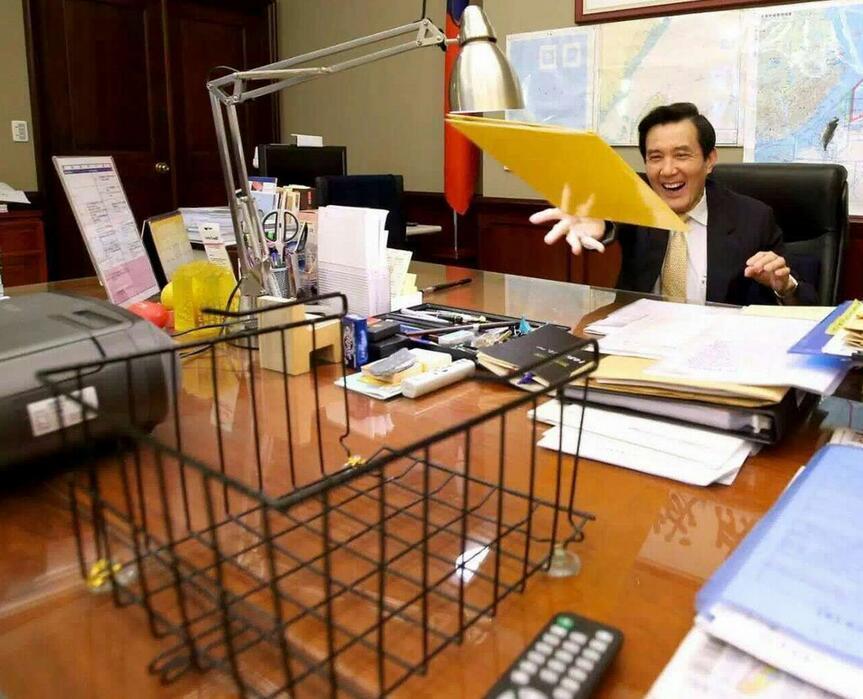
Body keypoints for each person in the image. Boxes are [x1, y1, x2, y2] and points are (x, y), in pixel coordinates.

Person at [530, 103, 817, 305]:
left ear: (709, 160)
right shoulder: (636, 203)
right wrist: (602, 226)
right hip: (639, 343)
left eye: (681, 155)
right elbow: (612, 223)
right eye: (655, 157)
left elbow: (806, 304)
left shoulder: (753, 218)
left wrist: (784, 287)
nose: (667, 171)